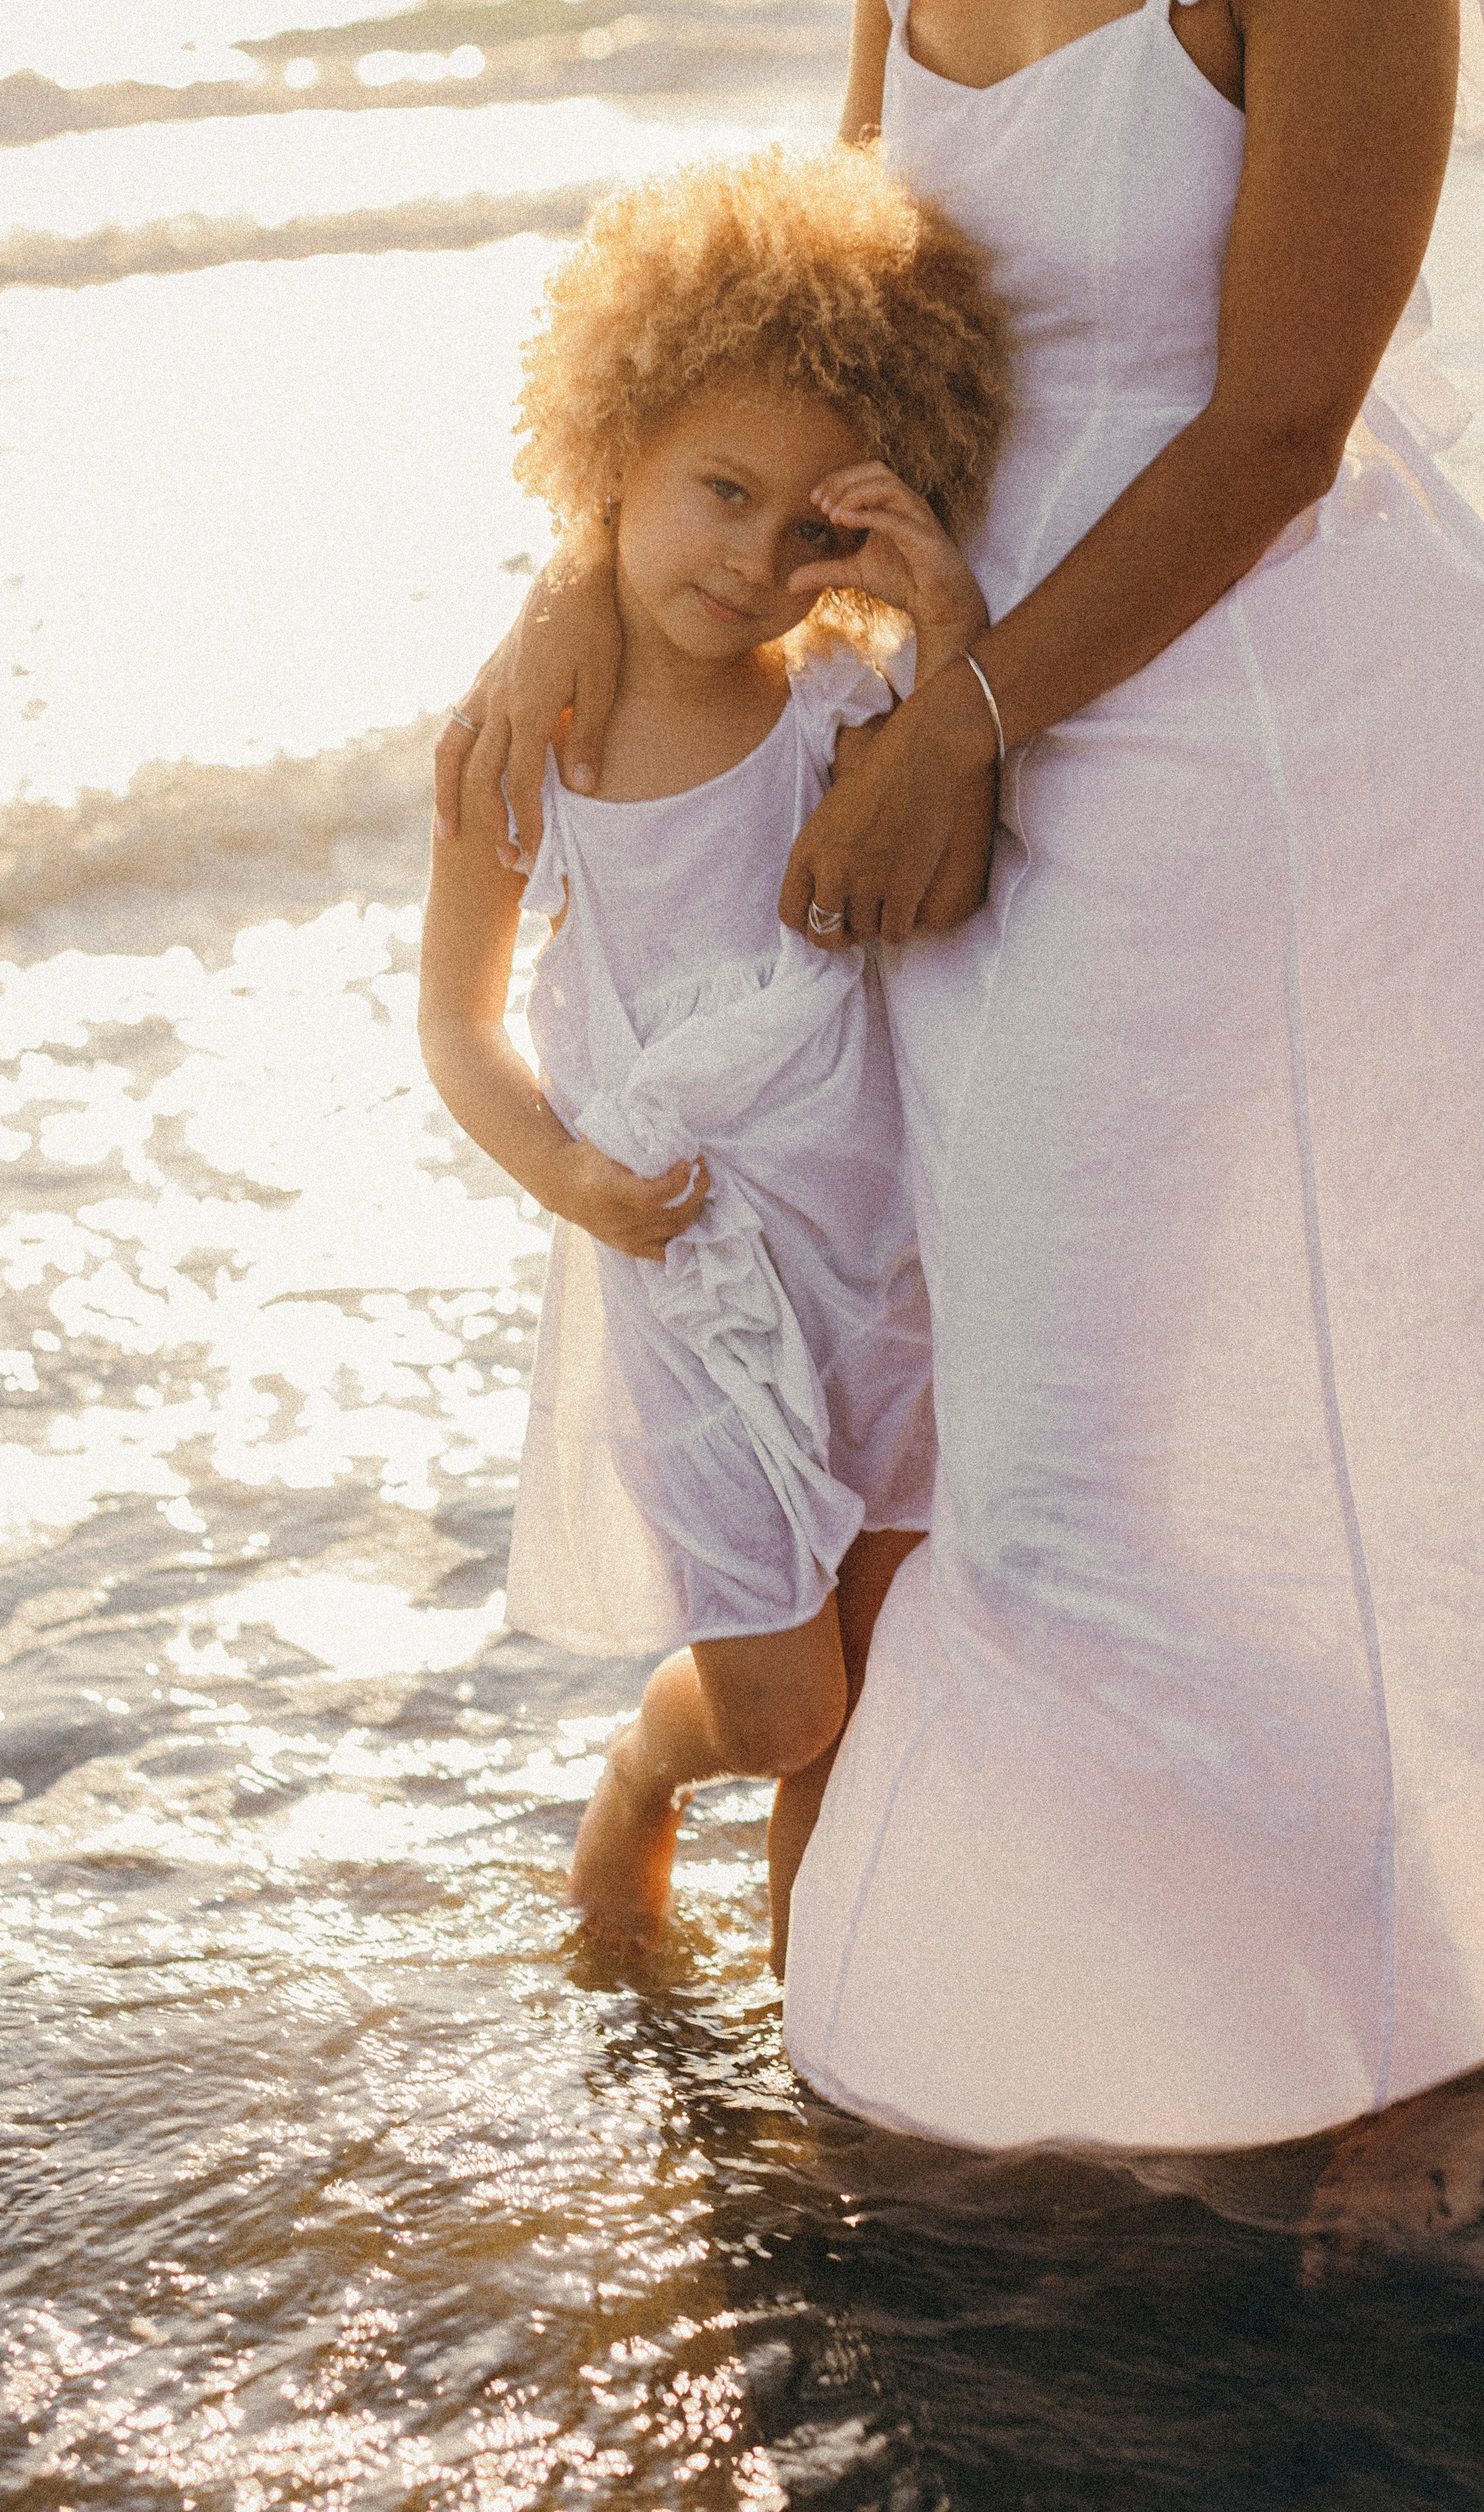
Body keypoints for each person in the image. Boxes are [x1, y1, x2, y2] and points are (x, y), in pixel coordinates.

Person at [437, 0, 1484, 2267]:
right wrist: (571, 590)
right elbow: (814, 332)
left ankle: (1439, 2027)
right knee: (1039, 1406)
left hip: (1246, 740)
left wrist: (970, 720)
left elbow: (1276, 420)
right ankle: (1155, 1960)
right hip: (937, 703)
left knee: (1259, 1373)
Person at [419, 147, 1011, 1962]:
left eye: (808, 530)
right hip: (684, 1276)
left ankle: (826, 2032)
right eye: (717, 493)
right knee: (782, 1706)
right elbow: (455, 1023)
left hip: (881, 1260)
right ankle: (639, 1772)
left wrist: (953, 629)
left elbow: (952, 886)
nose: (754, 560)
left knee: (883, 1665)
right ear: (611, 455)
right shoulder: (548, 737)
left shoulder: (841, 709)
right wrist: (580, 1183)